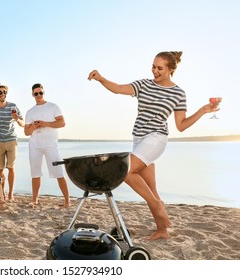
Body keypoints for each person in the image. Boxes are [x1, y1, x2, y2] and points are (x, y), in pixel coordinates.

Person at [88, 51, 220, 240]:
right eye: (153, 66)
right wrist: (101, 78)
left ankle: (158, 206)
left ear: (170, 69)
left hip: (156, 138)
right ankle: (162, 230)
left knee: (124, 171)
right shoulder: (143, 84)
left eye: (160, 68)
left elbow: (181, 126)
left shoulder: (178, 93)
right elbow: (118, 88)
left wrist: (203, 110)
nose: (155, 71)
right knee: (151, 188)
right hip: (139, 139)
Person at [24, 83, 70, 208]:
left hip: (51, 145)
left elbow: (62, 123)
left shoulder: (53, 107)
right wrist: (34, 126)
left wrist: (45, 123)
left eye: (41, 93)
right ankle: (34, 200)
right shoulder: (30, 112)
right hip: (35, 145)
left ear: (44, 93)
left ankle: (67, 201)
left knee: (59, 172)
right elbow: (26, 132)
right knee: (35, 173)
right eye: (36, 93)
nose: (38, 95)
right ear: (32, 94)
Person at [0, 82, 25, 201]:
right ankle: (2, 192)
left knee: (11, 167)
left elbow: (23, 124)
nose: (3, 94)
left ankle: (10, 193)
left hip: (11, 140)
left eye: (5, 92)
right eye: (0, 92)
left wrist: (17, 119)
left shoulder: (13, 106)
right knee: (0, 169)